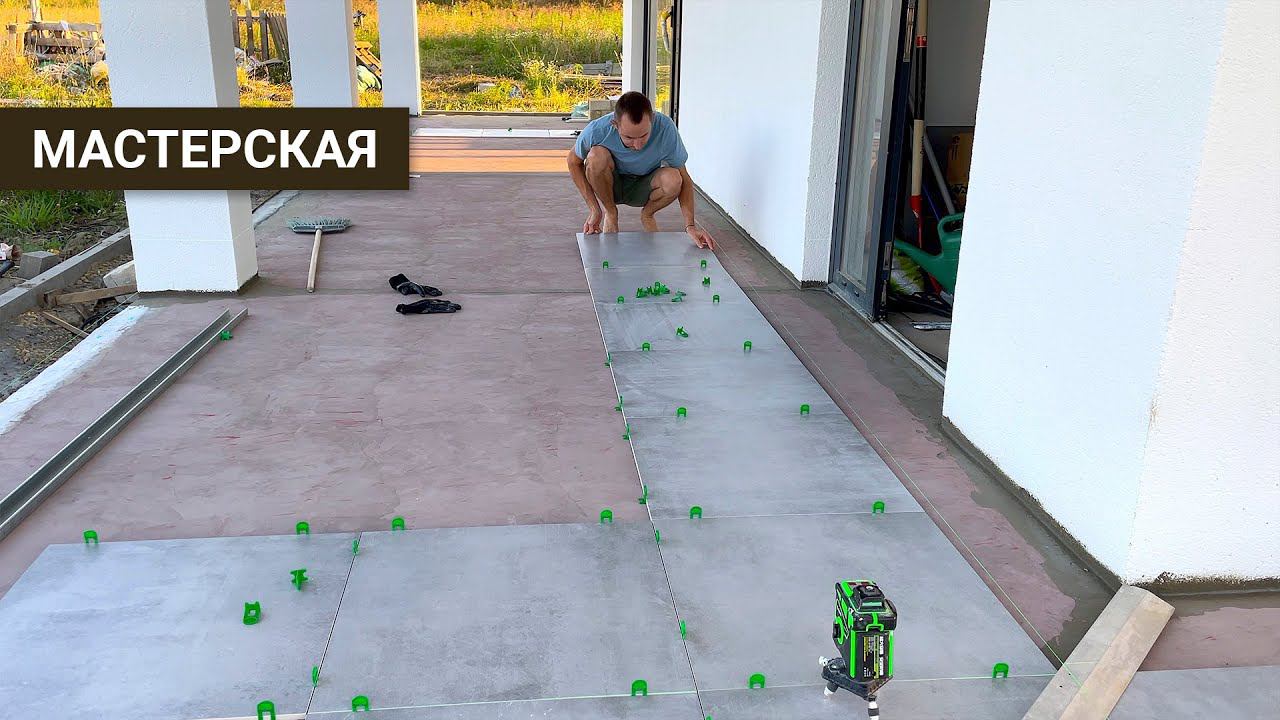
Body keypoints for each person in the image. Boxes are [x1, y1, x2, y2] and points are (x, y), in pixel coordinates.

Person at [567, 91, 715, 249]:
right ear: (615, 125)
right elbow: (573, 161)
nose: (637, 146)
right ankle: (611, 212)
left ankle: (647, 215)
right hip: (609, 187)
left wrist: (690, 226)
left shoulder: (665, 128)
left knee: (674, 177)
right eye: (629, 138)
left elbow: (684, 177)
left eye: (644, 135)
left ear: (652, 120)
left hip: (644, 187)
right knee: (596, 156)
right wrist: (594, 209)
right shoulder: (597, 130)